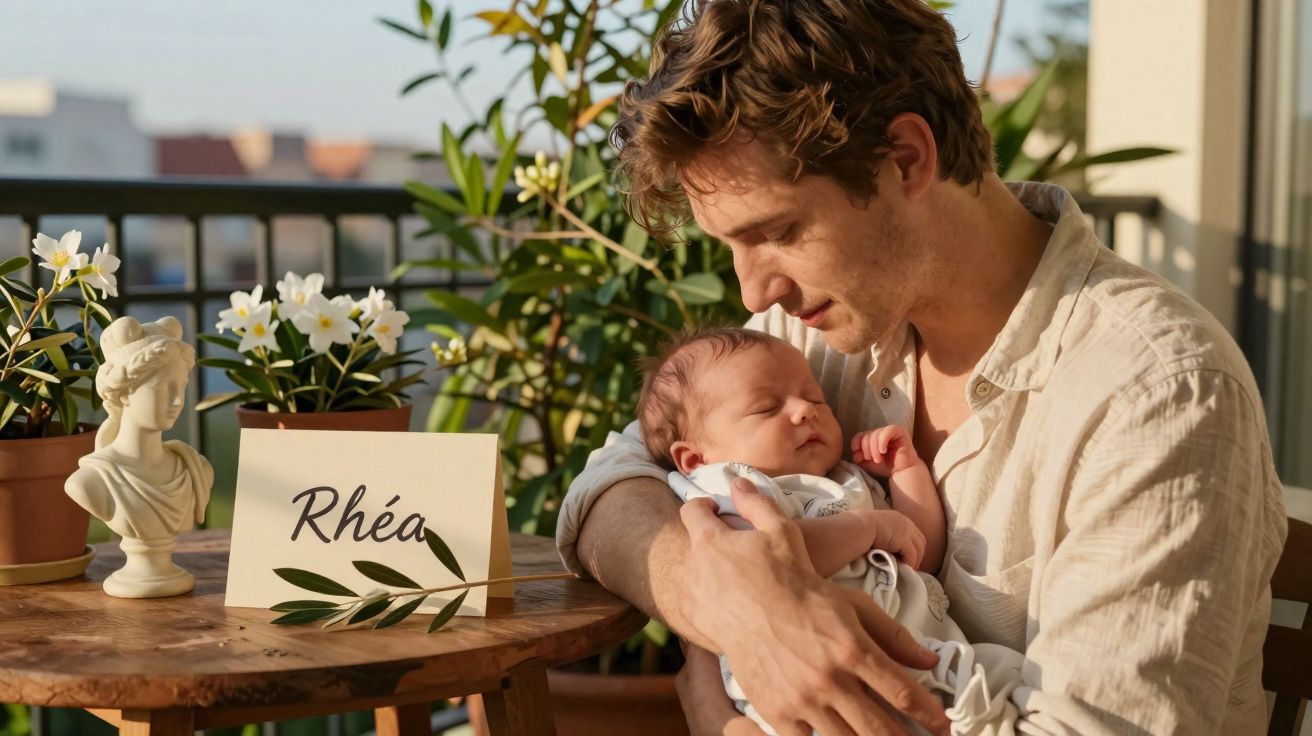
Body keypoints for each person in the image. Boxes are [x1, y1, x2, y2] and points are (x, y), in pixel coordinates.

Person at [555, 0, 1289, 733]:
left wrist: (726, 719)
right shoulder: (805, 333)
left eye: (777, 231)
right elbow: (607, 489)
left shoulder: (1157, 393)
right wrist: (741, 610)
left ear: (906, 158)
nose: (754, 290)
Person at [640, 326, 1028, 734]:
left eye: (814, 398)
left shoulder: (844, 479)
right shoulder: (729, 490)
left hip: (925, 659)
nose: (804, 410)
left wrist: (905, 473)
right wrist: (866, 527)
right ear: (694, 457)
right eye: (767, 408)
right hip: (812, 685)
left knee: (1009, 677)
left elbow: (919, 550)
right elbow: (768, 562)